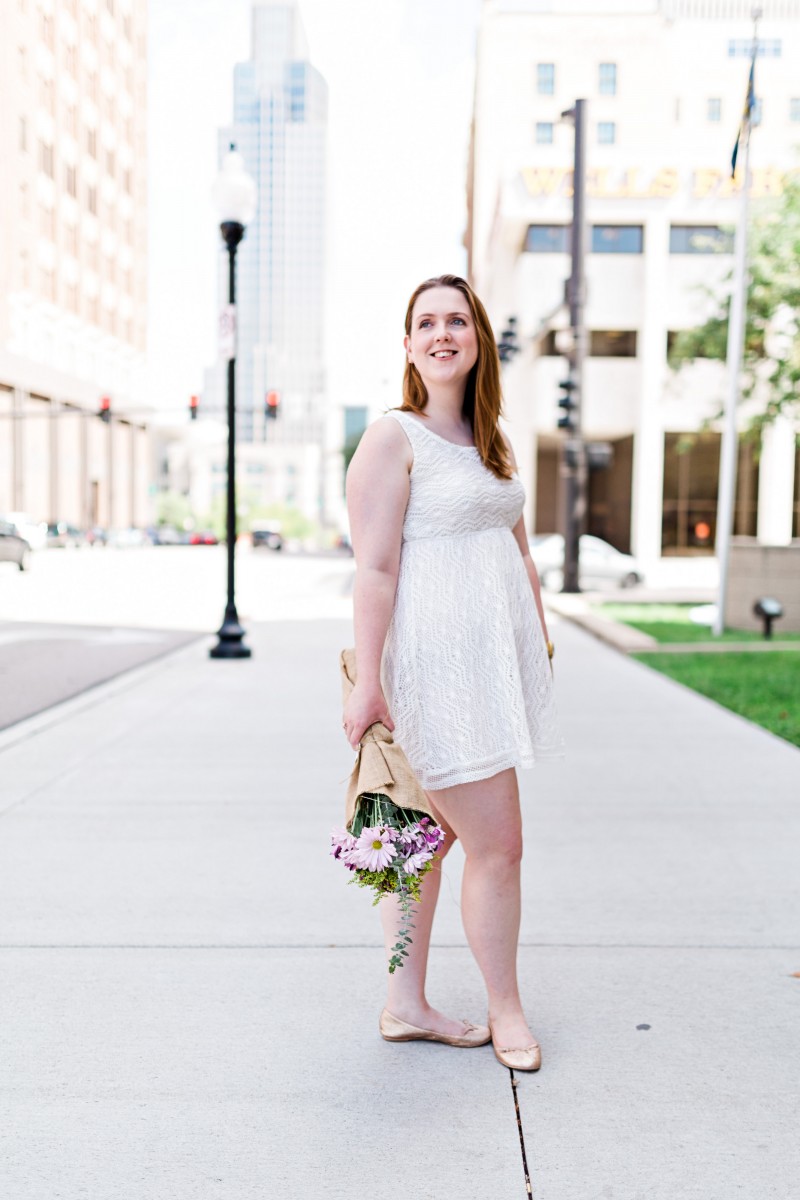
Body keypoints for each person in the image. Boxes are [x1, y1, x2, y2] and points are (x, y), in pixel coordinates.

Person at [343, 274, 564, 1071]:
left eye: (457, 321)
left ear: (478, 341)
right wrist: (369, 682)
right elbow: (373, 570)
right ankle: (506, 1010)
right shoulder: (393, 438)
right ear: (408, 346)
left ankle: (405, 1003)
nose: (443, 334)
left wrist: (535, 647)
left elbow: (519, 550)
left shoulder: (491, 438)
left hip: (490, 672)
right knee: (498, 845)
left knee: (424, 840)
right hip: (435, 672)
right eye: (426, 323)